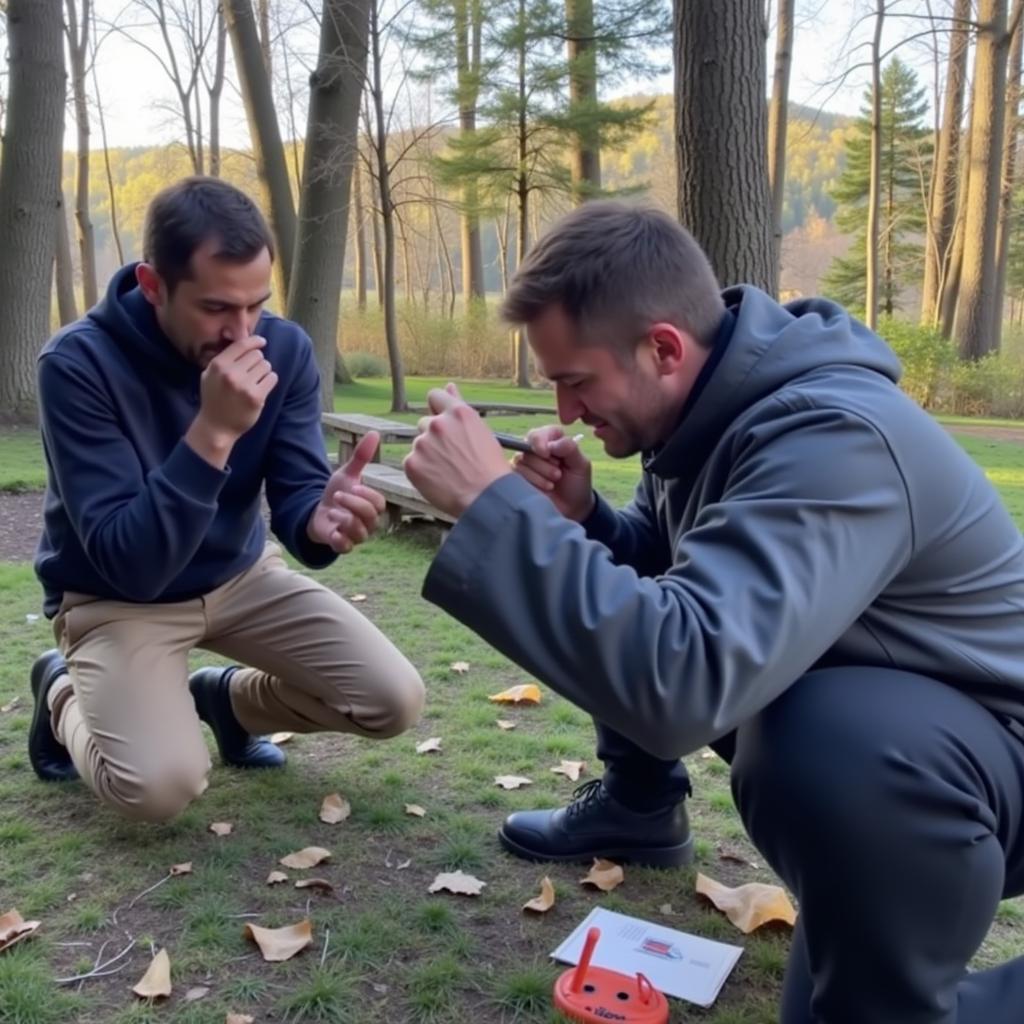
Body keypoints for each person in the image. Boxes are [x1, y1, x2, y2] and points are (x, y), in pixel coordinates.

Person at [403, 200, 1024, 1022]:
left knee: (823, 740)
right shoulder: (708, 421)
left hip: (986, 762)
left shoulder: (835, 435)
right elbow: (683, 588)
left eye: (575, 381)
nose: (564, 413)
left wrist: (491, 508)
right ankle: (651, 815)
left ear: (662, 347)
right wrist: (587, 522)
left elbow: (683, 676)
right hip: (930, 752)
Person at [27, 176, 424, 824]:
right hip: (117, 597)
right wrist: (212, 432)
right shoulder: (77, 365)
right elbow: (129, 561)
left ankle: (226, 702)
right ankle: (62, 693)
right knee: (159, 788)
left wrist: (318, 523)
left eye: (256, 306)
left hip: (240, 577)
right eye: (216, 309)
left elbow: (295, 490)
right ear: (154, 287)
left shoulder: (285, 350)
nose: (243, 333)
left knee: (392, 699)